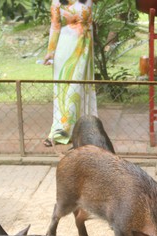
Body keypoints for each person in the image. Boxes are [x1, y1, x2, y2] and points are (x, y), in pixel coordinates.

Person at [42, 0, 98, 147]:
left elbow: (90, 23)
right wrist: (50, 52)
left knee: (79, 89)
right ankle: (61, 131)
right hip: (65, 46)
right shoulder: (57, 2)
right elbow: (55, 25)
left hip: (84, 48)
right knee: (64, 90)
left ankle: (84, 129)